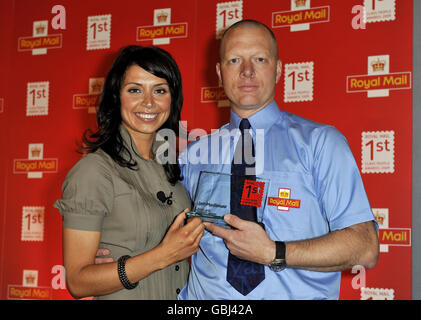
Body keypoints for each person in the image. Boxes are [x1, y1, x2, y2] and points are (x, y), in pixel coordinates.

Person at [177, 20, 380, 299]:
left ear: (279, 70)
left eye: (260, 59)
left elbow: (365, 247)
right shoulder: (192, 156)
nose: (247, 71)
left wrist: (274, 252)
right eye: (235, 60)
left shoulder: (321, 144)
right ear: (219, 73)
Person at [54, 45, 205, 300]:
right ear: (116, 96)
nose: (148, 102)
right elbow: (78, 282)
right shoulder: (94, 171)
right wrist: (162, 256)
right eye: (135, 90)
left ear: (172, 99)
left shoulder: (176, 167)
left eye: (159, 90)